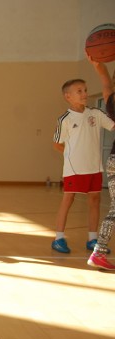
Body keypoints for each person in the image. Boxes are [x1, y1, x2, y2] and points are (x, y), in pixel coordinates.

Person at [51, 75, 115, 254]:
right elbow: (56, 143)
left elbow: (113, 126)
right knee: (68, 200)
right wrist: (72, 156)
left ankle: (92, 239)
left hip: (95, 167)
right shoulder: (65, 119)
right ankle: (58, 238)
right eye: (79, 91)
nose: (84, 94)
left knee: (95, 200)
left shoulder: (96, 114)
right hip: (74, 169)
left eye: (85, 90)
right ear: (68, 96)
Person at [87, 57, 115, 270]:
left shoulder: (112, 100)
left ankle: (99, 251)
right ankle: (99, 251)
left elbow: (106, 83)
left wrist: (99, 65)